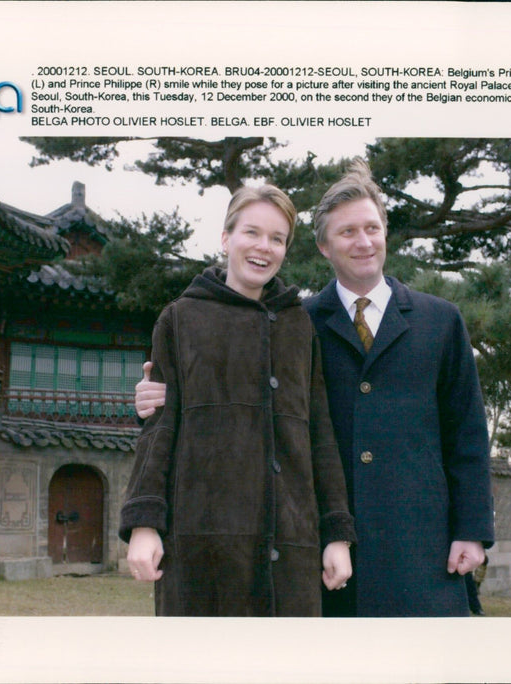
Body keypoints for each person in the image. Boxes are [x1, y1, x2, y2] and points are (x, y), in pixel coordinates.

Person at [134, 160, 495, 617]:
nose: (362, 242)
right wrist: (151, 398)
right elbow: (224, 384)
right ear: (323, 246)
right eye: (347, 232)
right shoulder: (297, 322)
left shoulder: (441, 321)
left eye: (372, 228)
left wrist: (472, 528)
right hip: (322, 559)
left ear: (386, 232)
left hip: (422, 549)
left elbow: (467, 433)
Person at [119, 184, 356, 617]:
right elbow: (159, 428)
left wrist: (336, 533)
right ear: (226, 238)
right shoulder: (180, 318)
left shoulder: (299, 327)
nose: (264, 247)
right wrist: (144, 523)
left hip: (291, 546)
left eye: (277, 238)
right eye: (252, 232)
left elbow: (321, 435)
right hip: (201, 543)